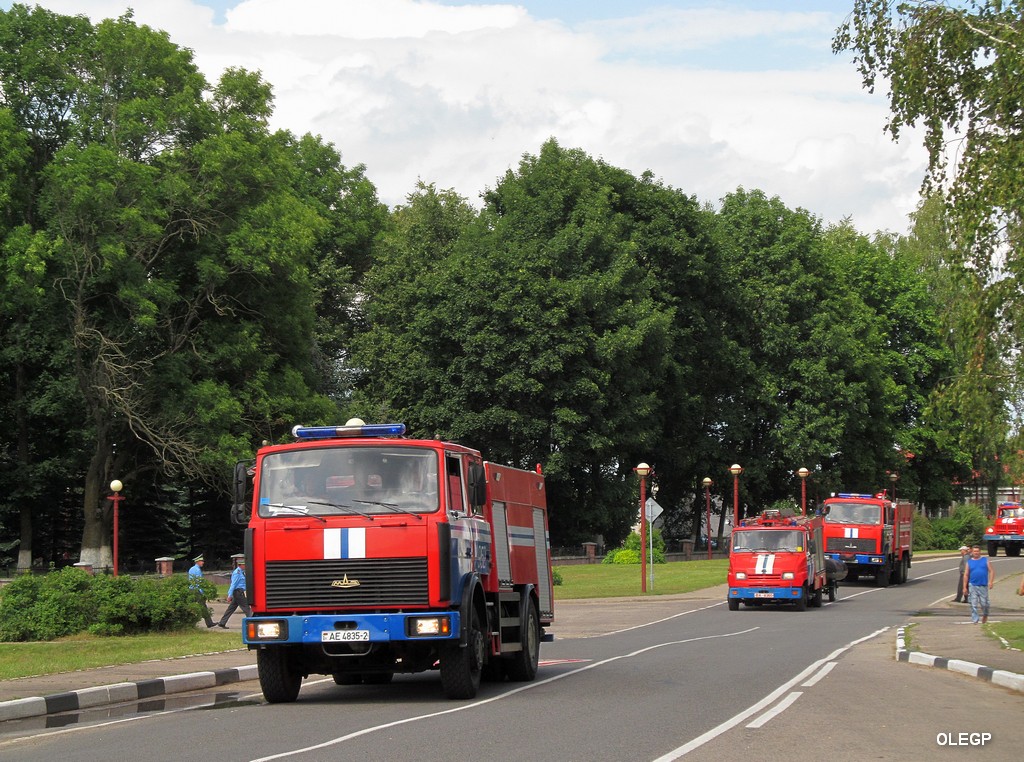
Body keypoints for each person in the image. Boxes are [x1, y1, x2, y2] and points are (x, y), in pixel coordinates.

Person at [216, 555, 252, 628]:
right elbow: (233, 584)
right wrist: (229, 595)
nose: (245, 566)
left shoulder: (242, 572)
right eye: (244, 565)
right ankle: (252, 623)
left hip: (239, 592)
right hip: (239, 592)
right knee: (247, 608)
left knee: (231, 608)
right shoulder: (237, 573)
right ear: (240, 565)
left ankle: (222, 622)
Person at [962, 545, 994, 624]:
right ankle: (975, 619)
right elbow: (966, 575)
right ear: (972, 552)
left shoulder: (985, 560)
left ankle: (985, 615)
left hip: (983, 585)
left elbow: (991, 571)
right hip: (973, 585)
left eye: (977, 551)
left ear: (980, 552)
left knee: (984, 603)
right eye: (974, 551)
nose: (976, 553)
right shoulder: (969, 562)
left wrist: (990, 581)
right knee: (973, 603)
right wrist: (964, 587)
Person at [188, 554, 216, 628]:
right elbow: (199, 582)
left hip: (191, 589)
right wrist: (202, 592)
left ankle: (191, 622)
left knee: (193, 606)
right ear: (197, 561)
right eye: (201, 561)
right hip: (197, 590)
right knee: (202, 607)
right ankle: (209, 623)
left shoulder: (191, 569)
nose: (203, 562)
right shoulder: (197, 570)